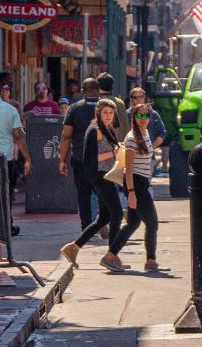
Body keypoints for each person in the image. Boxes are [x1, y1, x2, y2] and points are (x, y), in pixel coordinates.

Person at [108, 90, 169, 272]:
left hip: (142, 182)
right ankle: (151, 262)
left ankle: (110, 256)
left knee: (133, 223)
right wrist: (132, 193)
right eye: (139, 115)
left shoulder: (145, 134)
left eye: (146, 115)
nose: (143, 118)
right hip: (137, 184)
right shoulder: (133, 138)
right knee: (152, 223)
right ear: (133, 117)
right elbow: (128, 168)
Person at [60, 100, 126, 267]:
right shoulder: (95, 130)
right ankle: (111, 256)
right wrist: (114, 152)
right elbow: (93, 158)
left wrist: (119, 148)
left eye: (111, 113)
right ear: (98, 112)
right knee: (117, 213)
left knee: (103, 217)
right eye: (105, 113)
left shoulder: (105, 128)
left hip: (106, 175)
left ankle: (73, 248)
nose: (109, 116)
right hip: (101, 176)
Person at [58, 78, 104, 234]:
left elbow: (66, 136)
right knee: (103, 192)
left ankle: (86, 228)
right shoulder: (107, 108)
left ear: (83, 91)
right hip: (103, 159)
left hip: (80, 157)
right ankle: (102, 220)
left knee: (83, 194)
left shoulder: (74, 109)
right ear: (99, 91)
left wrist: (62, 160)